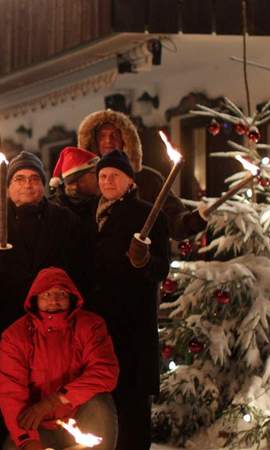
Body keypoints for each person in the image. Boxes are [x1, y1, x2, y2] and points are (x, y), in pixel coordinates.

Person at [90, 150, 170, 449]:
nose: (108, 181)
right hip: (98, 325)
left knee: (132, 408)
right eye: (103, 176)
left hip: (133, 326)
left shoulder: (149, 215)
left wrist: (144, 261)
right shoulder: (90, 213)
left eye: (115, 176)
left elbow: (161, 267)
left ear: (129, 180)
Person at [0, 152, 86, 349]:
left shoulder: (65, 220)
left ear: (43, 184)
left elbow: (80, 268)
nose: (27, 185)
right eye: (19, 179)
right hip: (3, 318)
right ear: (8, 186)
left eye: (34, 179)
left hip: (52, 318)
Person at [0, 267, 119, 450]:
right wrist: (28, 441)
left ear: (71, 297)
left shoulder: (90, 326)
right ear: (35, 299)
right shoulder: (15, 336)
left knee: (100, 404)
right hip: (38, 426)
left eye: (60, 294)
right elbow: (11, 393)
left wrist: (54, 401)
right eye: (46, 294)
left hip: (81, 416)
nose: (53, 300)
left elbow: (105, 371)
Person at [77, 109, 206, 239]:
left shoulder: (148, 179)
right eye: (102, 136)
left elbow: (172, 219)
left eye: (114, 135)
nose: (108, 140)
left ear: (125, 139)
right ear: (94, 141)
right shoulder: (84, 182)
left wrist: (191, 222)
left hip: (144, 255)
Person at [48, 146, 100, 227]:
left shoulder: (100, 201)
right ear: (79, 180)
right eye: (95, 172)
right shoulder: (55, 213)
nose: (100, 176)